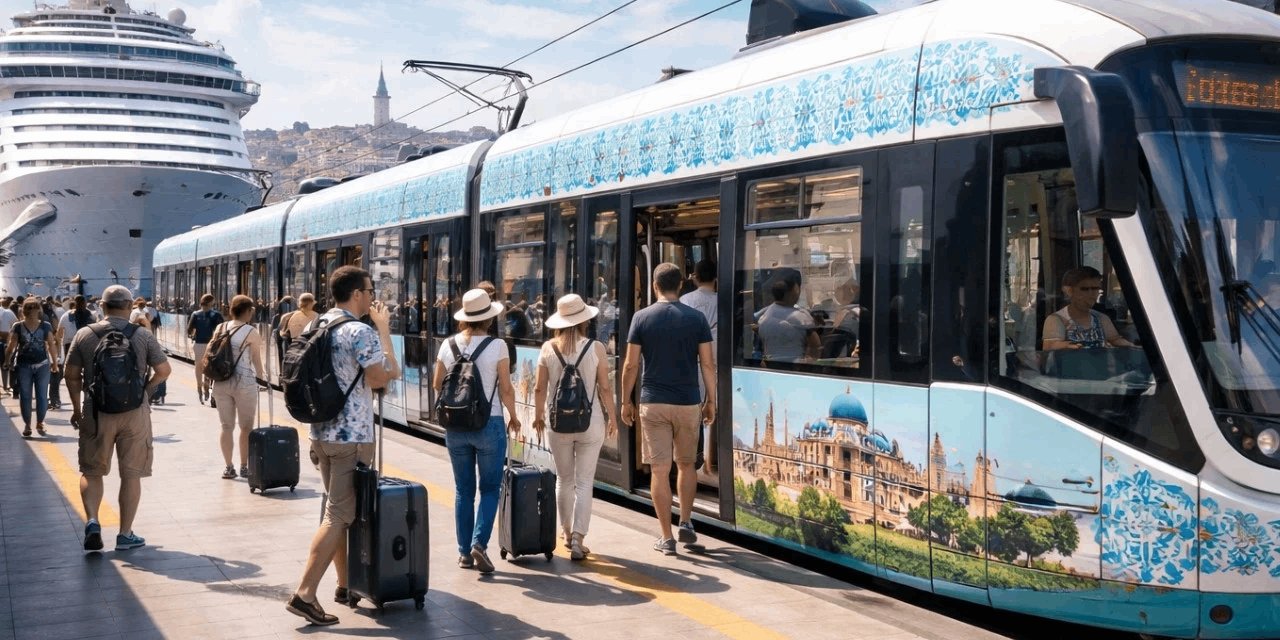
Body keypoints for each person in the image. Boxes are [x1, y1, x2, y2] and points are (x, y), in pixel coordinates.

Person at [287, 266, 400, 626]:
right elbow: (383, 377)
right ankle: (305, 594)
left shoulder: (317, 324)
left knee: (334, 511)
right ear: (356, 294)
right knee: (338, 516)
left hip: (321, 434)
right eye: (370, 291)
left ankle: (344, 583)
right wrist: (383, 330)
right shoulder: (359, 330)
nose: (373, 297)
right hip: (351, 438)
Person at [65, 285, 171, 552]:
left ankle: (92, 521)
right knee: (131, 474)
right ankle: (125, 534)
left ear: (102, 306)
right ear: (129, 306)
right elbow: (163, 370)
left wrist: (77, 409)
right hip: (134, 413)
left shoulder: (84, 334)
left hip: (96, 411)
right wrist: (146, 392)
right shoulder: (143, 335)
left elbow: (71, 375)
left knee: (91, 471)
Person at [620, 263, 715, 555]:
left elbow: (631, 365)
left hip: (653, 403)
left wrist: (626, 400)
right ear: (681, 286)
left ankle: (666, 537)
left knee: (660, 470)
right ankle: (685, 521)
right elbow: (707, 364)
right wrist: (711, 400)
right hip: (688, 402)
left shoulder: (641, 317)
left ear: (654, 286)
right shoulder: (697, 318)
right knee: (686, 465)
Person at [432, 288, 520, 574]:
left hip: (455, 427)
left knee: (463, 490)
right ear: (489, 318)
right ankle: (479, 544)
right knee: (490, 488)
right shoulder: (498, 346)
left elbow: (437, 384)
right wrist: (514, 416)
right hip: (489, 423)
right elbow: (506, 389)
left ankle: (463, 554)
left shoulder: (448, 345)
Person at [532, 294, 617, 561]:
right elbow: (605, 388)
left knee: (564, 479)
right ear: (584, 321)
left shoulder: (548, 348)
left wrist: (538, 416)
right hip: (590, 423)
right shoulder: (596, 348)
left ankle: (567, 533)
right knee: (584, 482)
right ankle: (579, 539)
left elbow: (539, 388)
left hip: (558, 424)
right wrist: (613, 418)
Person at [210, 295, 266, 480]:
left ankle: (228, 467)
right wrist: (262, 380)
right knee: (246, 427)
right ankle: (244, 466)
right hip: (244, 382)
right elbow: (256, 360)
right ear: (248, 311)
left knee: (226, 426)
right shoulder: (251, 331)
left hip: (221, 381)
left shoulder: (220, 327)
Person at [679, 259, 718, 473]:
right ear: (716, 278)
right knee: (713, 411)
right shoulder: (722, 300)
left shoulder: (685, 300)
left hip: (692, 363)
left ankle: (698, 458)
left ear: (695, 277)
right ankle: (710, 460)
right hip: (717, 361)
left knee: (696, 413)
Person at [1042, 267, 1135, 351]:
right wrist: (1072, 346)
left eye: (1095, 288)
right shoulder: (1056, 320)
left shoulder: (1101, 318)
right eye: (1084, 289)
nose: (1091, 294)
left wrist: (1133, 346)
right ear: (1069, 291)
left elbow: (1115, 340)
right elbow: (1050, 347)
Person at [6, 299, 59, 437]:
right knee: (38, 396)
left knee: (29, 396)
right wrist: (54, 363)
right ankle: (35, 423)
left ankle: (31, 424)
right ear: (38, 310)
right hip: (37, 365)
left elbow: (11, 346)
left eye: (33, 307)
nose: (33, 310)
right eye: (32, 307)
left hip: (29, 365)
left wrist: (7, 361)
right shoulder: (43, 326)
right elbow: (51, 345)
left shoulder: (20, 326)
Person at [755, 267, 820, 362]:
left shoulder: (764, 313)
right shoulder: (802, 317)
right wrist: (809, 362)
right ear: (795, 289)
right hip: (795, 367)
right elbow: (815, 346)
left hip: (771, 365)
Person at [188, 294, 224, 405]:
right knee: (209, 366)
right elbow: (221, 330)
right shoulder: (216, 315)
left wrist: (194, 335)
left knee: (198, 366)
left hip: (198, 344)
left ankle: (199, 387)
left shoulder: (195, 314)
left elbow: (189, 330)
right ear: (211, 302)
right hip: (211, 345)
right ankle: (207, 384)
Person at [0, 297, 16, 393]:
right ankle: (6, 386)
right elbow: (16, 325)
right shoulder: (9, 313)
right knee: (5, 364)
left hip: (3, 339)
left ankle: (5, 386)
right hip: (6, 340)